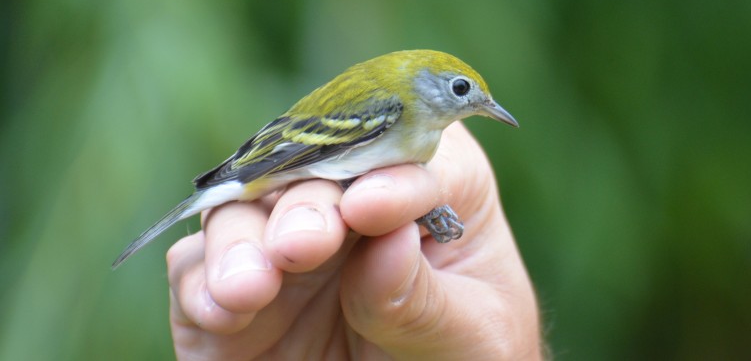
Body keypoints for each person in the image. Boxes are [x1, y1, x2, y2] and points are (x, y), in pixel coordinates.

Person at [166, 122, 544, 359]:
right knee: (368, 199)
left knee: (376, 202)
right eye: (461, 90)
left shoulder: (419, 135)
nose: (484, 108)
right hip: (278, 167)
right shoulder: (388, 106)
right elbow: (322, 160)